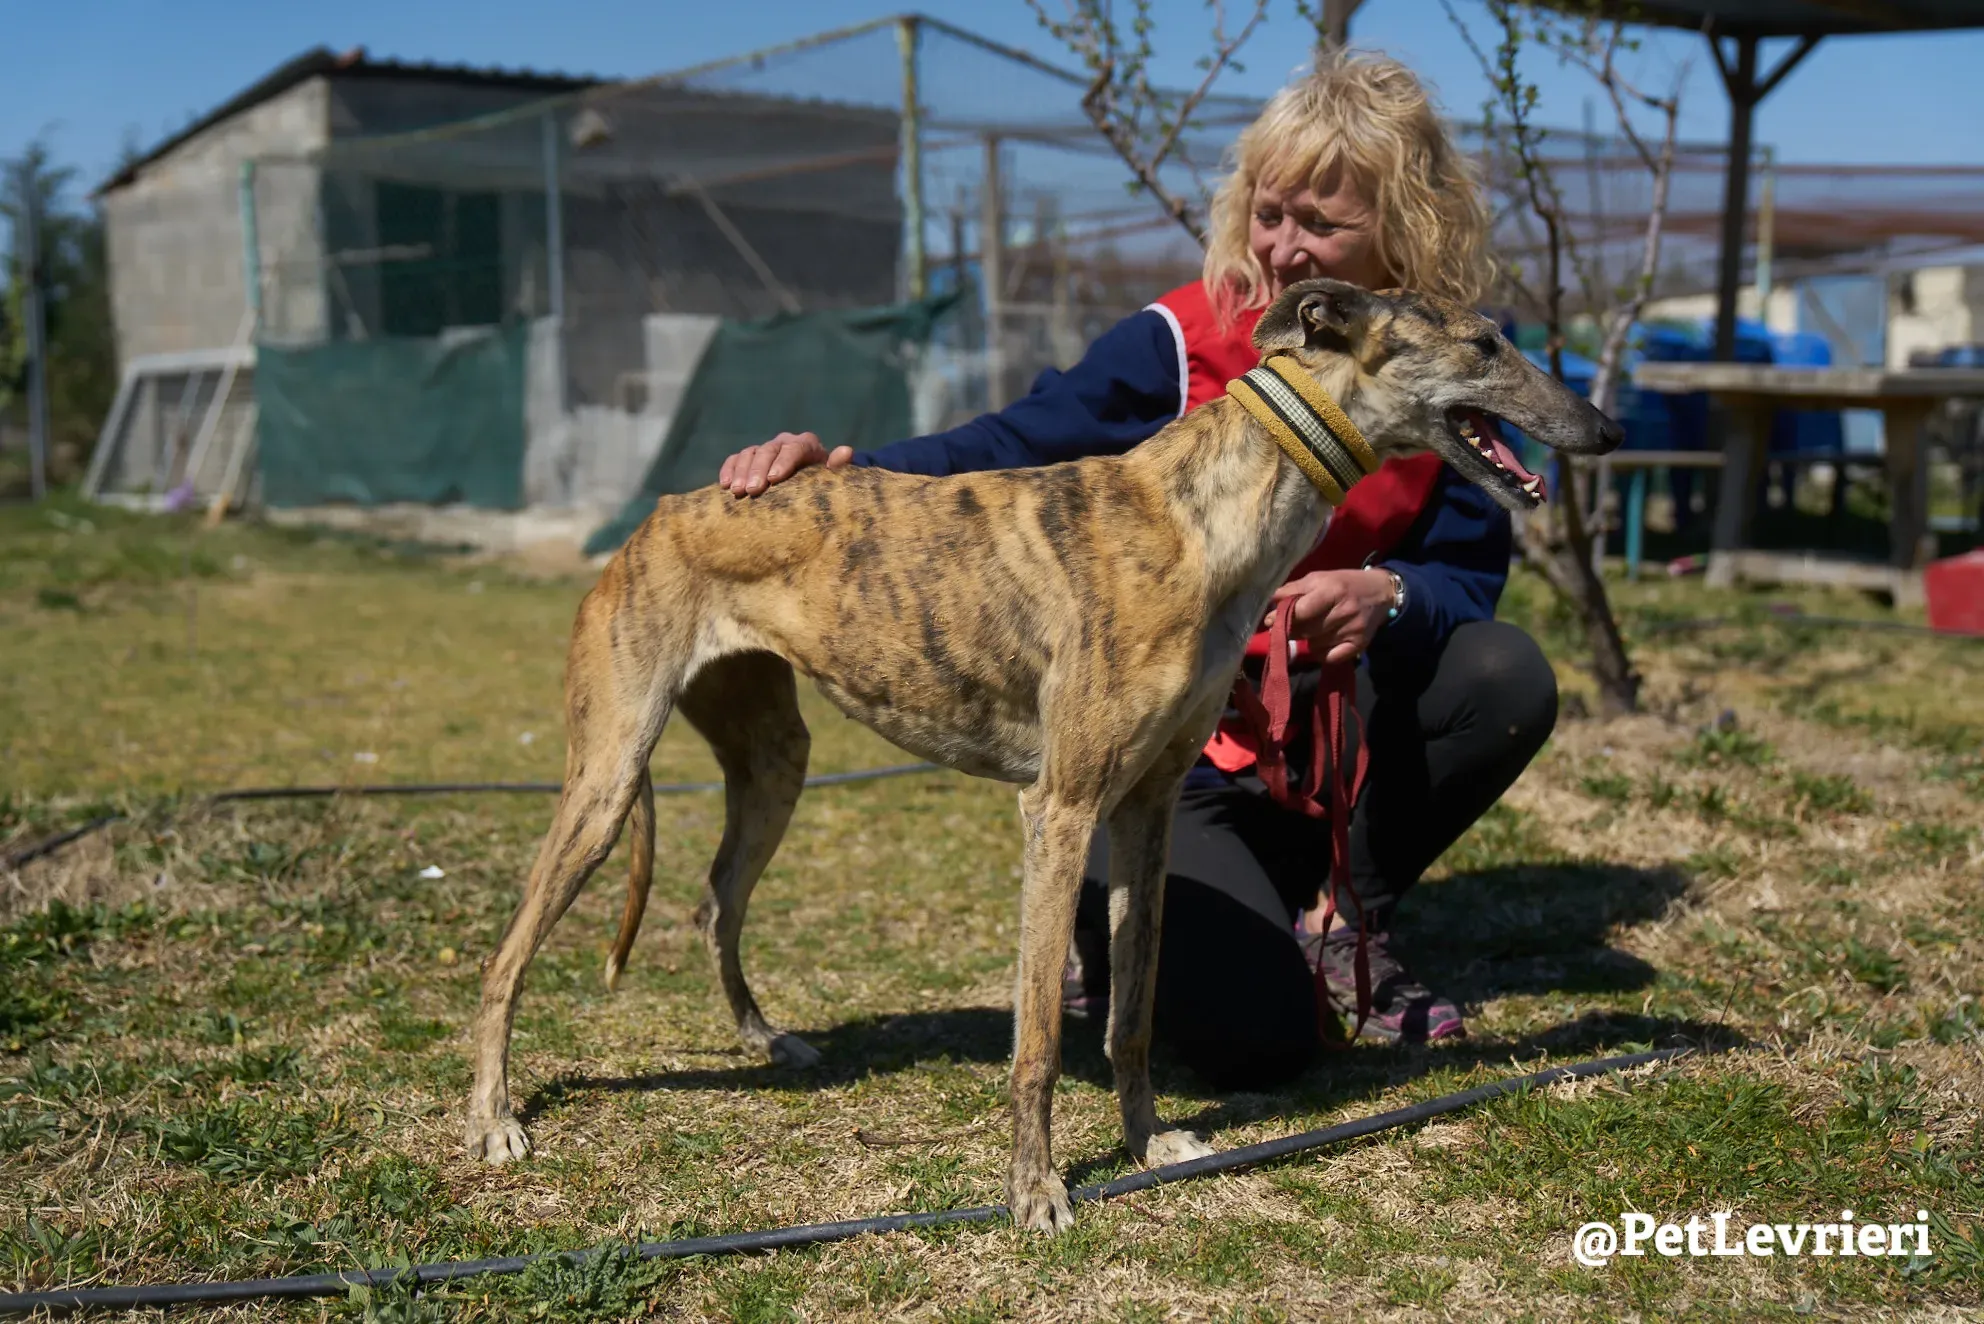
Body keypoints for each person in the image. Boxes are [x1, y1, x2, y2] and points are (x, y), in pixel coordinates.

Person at [712, 50, 1559, 1089]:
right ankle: (1115, 935)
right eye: (1267, 211)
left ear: (1400, 224)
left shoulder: (1453, 364)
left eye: (1321, 225)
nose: (1284, 248)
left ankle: (1343, 917)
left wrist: (1391, 595)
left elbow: (1465, 576)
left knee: (1500, 676)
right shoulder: (1187, 338)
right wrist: (844, 467)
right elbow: (1008, 445)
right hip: (1174, 750)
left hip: (1333, 728)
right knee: (1250, 1046)